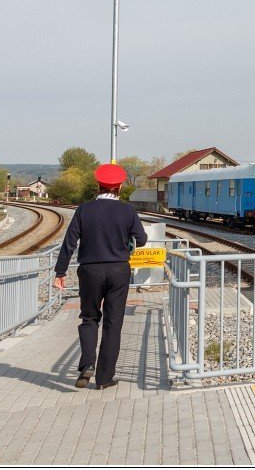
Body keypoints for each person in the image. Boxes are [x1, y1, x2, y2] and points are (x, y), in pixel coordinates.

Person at [54, 163, 147, 390]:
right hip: (118, 271)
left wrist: (61, 271)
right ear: (120, 187)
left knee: (89, 318)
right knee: (113, 324)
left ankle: (87, 363)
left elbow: (69, 242)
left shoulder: (84, 210)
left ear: (98, 185)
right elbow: (142, 239)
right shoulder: (127, 211)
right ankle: (104, 379)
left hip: (90, 271)